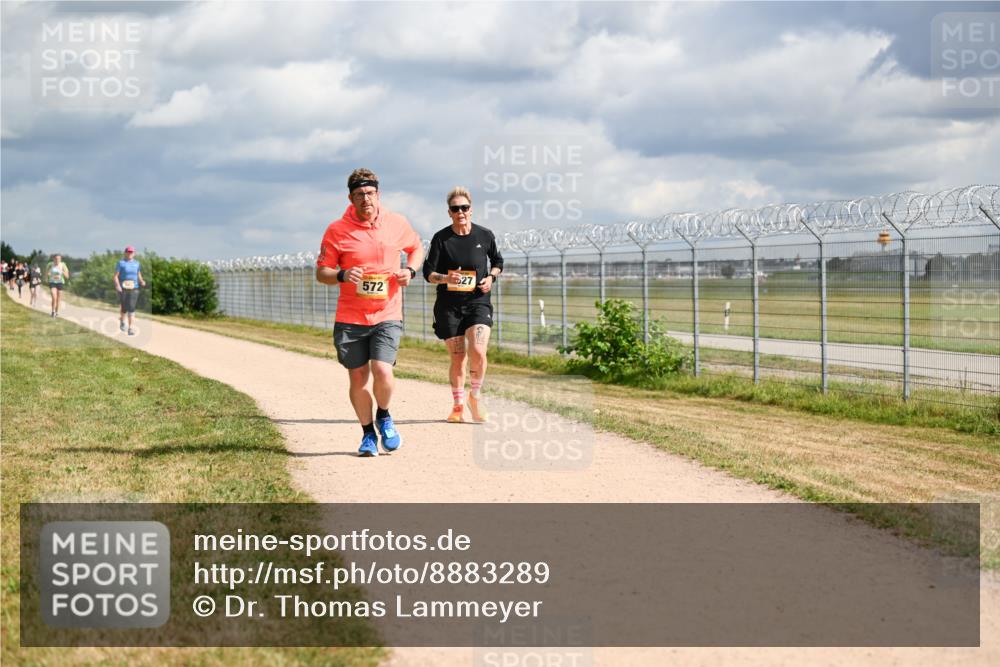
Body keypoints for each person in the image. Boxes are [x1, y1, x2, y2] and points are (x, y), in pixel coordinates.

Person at [315, 168, 425, 457]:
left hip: (387, 312)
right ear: (350, 198)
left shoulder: (396, 223)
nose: (366, 199)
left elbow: (417, 248)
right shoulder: (337, 230)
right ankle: (367, 435)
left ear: (378, 194)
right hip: (350, 318)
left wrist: (409, 270)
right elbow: (322, 272)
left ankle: (385, 415)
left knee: (382, 370)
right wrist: (342, 275)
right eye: (360, 194)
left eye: (371, 193)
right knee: (358, 378)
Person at [423, 187, 503, 423]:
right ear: (449, 213)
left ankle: (475, 397)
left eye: (464, 208)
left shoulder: (484, 235)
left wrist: (492, 277)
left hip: (478, 301)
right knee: (458, 358)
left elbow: (497, 261)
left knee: (478, 350)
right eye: (455, 209)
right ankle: (458, 405)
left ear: (471, 209)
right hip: (449, 306)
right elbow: (428, 272)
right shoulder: (441, 238)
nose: (461, 212)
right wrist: (446, 278)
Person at [114, 246, 146, 335]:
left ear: (134, 254)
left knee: (131, 307)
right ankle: (122, 321)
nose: (130, 254)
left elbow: (138, 274)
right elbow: (116, 276)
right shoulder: (121, 263)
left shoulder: (137, 263)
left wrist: (141, 281)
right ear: (125, 253)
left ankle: (130, 328)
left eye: (131, 252)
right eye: (128, 252)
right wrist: (117, 285)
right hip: (123, 288)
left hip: (134, 288)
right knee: (124, 308)